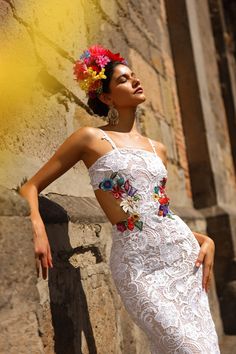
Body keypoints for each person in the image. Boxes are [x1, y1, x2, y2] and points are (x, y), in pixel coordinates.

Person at [20, 44, 221, 353]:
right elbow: (30, 186)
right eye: (123, 80)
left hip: (182, 260)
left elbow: (156, 213)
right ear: (106, 97)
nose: (135, 80)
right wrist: (36, 225)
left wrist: (201, 238)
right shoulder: (90, 139)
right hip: (137, 267)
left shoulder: (158, 149)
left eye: (134, 75)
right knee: (186, 347)